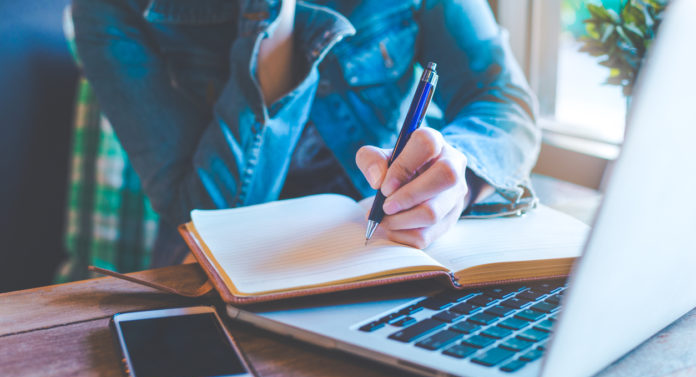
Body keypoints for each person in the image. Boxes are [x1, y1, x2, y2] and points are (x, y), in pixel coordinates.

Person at [71, 0, 540, 267]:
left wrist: (457, 173)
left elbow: (503, 101)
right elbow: (203, 220)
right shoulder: (111, 9)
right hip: (212, 277)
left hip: (377, 251)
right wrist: (271, 22)